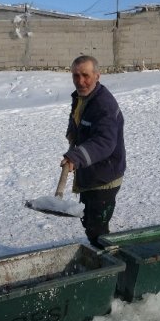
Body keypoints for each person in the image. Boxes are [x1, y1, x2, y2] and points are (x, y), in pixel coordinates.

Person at [61, 55, 126, 248]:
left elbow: (105, 142)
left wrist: (76, 156)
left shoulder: (103, 105)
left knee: (97, 229)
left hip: (104, 177)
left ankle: (110, 263)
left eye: (86, 75)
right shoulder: (82, 97)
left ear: (97, 75)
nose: (80, 81)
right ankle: (101, 253)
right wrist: (72, 133)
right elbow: (79, 121)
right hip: (90, 172)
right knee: (90, 220)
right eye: (76, 75)